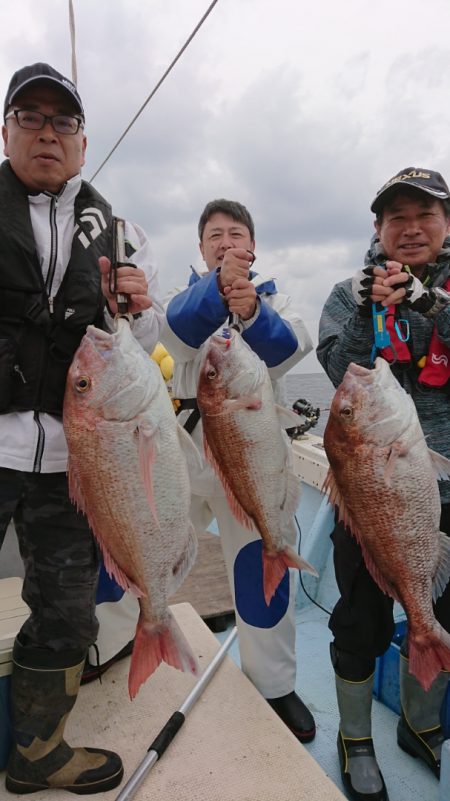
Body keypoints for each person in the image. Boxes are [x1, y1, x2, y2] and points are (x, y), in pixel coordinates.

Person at [0, 62, 164, 794]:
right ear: (6, 132)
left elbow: (147, 335)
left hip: (77, 458)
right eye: (29, 117)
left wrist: (137, 300)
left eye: (61, 121)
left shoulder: (119, 231)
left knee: (66, 610)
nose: (46, 133)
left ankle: (38, 749)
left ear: (82, 140)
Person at [160, 198, 316, 742]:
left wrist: (250, 312)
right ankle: (111, 651)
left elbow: (287, 349)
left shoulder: (281, 304)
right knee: (134, 551)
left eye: (236, 234)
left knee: (259, 574)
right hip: (183, 463)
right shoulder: (175, 303)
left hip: (249, 470)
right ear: (200, 250)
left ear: (253, 249)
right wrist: (217, 293)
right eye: (214, 236)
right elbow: (172, 336)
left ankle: (275, 687)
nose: (225, 243)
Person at [317, 167, 450, 801]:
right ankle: (354, 737)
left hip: (442, 498)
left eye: (425, 214)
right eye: (397, 217)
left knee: (440, 610)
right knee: (359, 622)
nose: (411, 228)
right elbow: (337, 368)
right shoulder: (349, 292)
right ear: (378, 229)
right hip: (367, 498)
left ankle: (421, 726)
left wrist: (428, 303)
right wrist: (372, 311)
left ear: (446, 224)